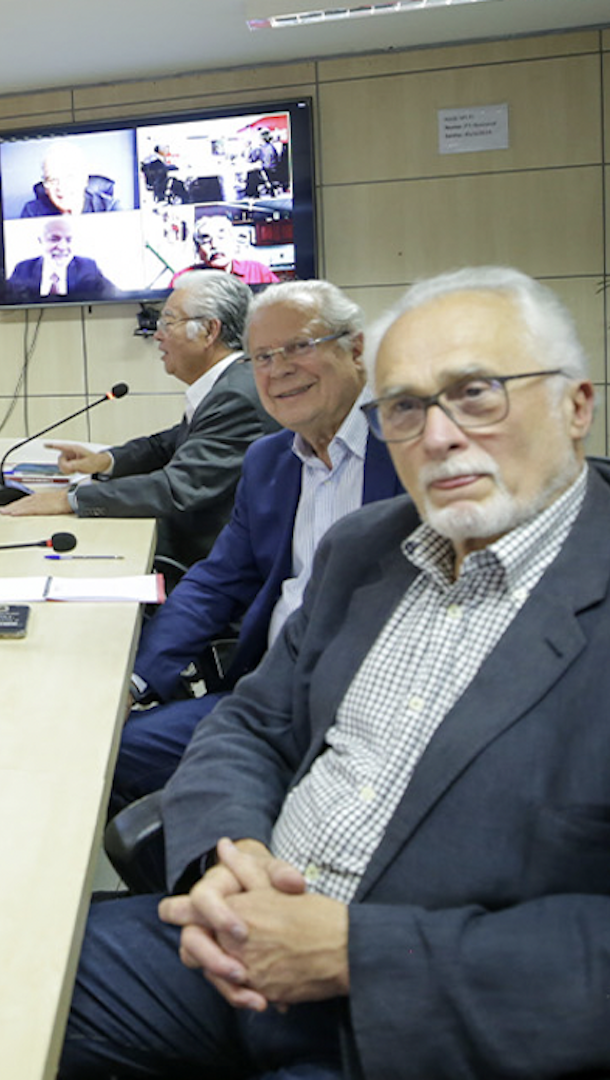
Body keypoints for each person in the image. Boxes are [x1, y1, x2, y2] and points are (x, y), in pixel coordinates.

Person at [59, 267, 610, 1078]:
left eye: (477, 394)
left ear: (576, 405)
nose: (438, 436)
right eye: (405, 407)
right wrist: (230, 860)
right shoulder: (366, 547)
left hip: (434, 1019)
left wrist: (356, 952)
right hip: (240, 937)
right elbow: (250, 722)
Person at [110, 279, 406, 821]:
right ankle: (197, 888)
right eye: (263, 356)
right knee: (108, 751)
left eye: (301, 346)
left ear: (356, 348)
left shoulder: (414, 453)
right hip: (268, 699)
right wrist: (132, 683)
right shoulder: (271, 461)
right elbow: (216, 581)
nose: (278, 369)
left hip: (378, 715)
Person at [1, 271, 279, 570]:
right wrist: (105, 461)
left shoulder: (237, 396)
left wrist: (71, 499)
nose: (157, 335)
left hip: (210, 566)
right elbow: (166, 445)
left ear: (209, 331)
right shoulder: (230, 382)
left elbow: (177, 488)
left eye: (168, 323)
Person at [5, 217, 117, 303]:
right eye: (54, 239)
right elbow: (6, 299)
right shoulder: (23, 268)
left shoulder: (87, 267)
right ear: (41, 241)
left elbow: (114, 295)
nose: (62, 247)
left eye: (68, 240)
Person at [19, 140, 119, 217]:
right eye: (52, 180)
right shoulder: (31, 212)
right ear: (45, 188)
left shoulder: (109, 208)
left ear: (84, 180)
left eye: (69, 177)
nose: (61, 187)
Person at [172, 216, 278, 286]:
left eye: (221, 237)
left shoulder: (257, 271)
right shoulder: (183, 279)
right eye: (206, 240)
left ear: (233, 243)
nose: (214, 245)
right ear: (198, 250)